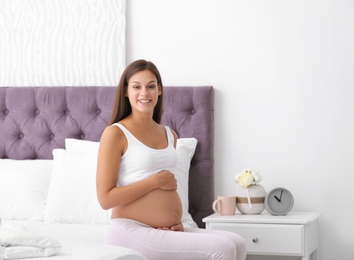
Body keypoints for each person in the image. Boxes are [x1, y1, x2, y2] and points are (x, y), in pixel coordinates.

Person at [96, 59, 246, 260]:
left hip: (166, 228)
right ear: (126, 91)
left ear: (159, 90)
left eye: (151, 86)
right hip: (129, 229)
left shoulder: (169, 135)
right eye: (136, 87)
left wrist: (176, 220)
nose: (144, 93)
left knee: (237, 242)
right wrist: (154, 182)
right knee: (223, 249)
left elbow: (168, 190)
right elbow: (105, 199)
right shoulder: (115, 133)